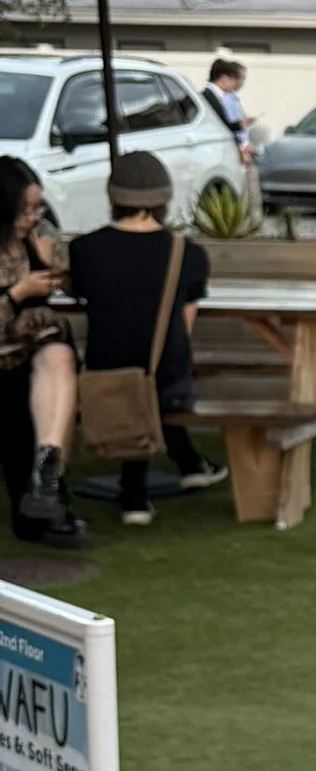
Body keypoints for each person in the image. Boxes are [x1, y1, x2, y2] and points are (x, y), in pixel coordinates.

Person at [66, 154, 225, 526]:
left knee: (133, 382)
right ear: (163, 199)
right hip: (166, 372)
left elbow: (86, 294)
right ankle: (173, 474)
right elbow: (185, 320)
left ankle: (145, 489)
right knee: (153, 380)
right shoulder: (189, 253)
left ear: (113, 196)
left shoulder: (84, 250)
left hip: (105, 369)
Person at [0, 161, 88, 552]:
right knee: (27, 392)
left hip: (28, 360)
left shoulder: (32, 240)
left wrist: (56, 274)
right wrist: (17, 292)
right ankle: (44, 494)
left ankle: (46, 479)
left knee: (57, 358)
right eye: (24, 209)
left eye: (36, 208)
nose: (32, 217)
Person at [203, 57, 253, 165]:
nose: (236, 83)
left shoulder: (218, 97)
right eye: (233, 79)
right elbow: (221, 125)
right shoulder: (208, 97)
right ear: (224, 78)